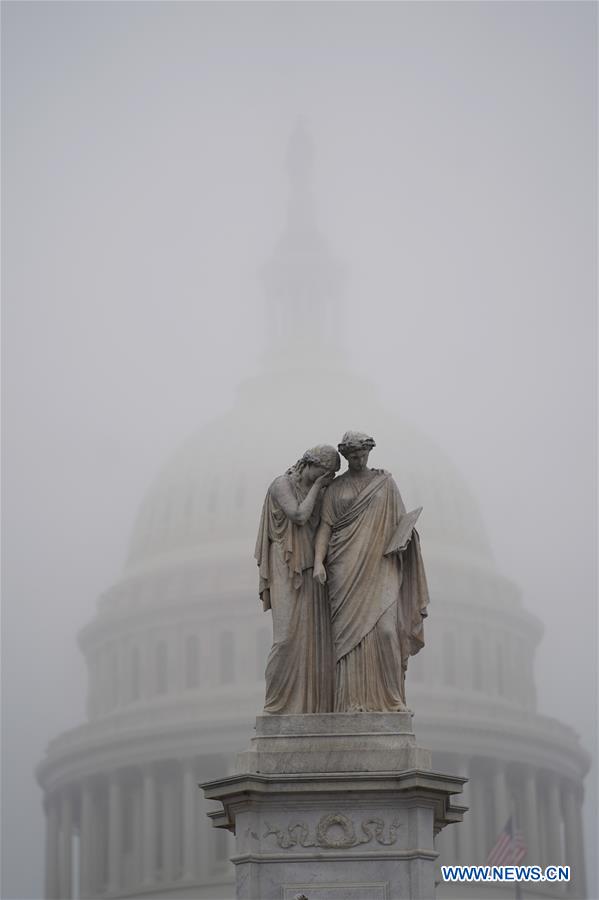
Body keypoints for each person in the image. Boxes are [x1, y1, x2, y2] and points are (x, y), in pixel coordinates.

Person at [313, 431, 429, 712]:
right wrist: (318, 562)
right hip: (345, 569)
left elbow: (402, 523)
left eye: (362, 455)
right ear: (345, 456)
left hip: (381, 564)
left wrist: (405, 538)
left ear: (369, 453)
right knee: (348, 642)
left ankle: (391, 699)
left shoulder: (385, 484)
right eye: (352, 457)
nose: (358, 460)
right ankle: (351, 702)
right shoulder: (336, 489)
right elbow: (325, 528)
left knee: (387, 632)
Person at [255, 445, 341, 714]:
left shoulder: (323, 491)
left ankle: (309, 706)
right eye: (322, 472)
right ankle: (276, 706)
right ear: (308, 464)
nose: (325, 479)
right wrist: (318, 486)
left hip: (309, 569)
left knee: (312, 641)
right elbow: (299, 515)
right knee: (285, 639)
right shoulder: (281, 484)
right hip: (285, 564)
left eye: (330, 476)